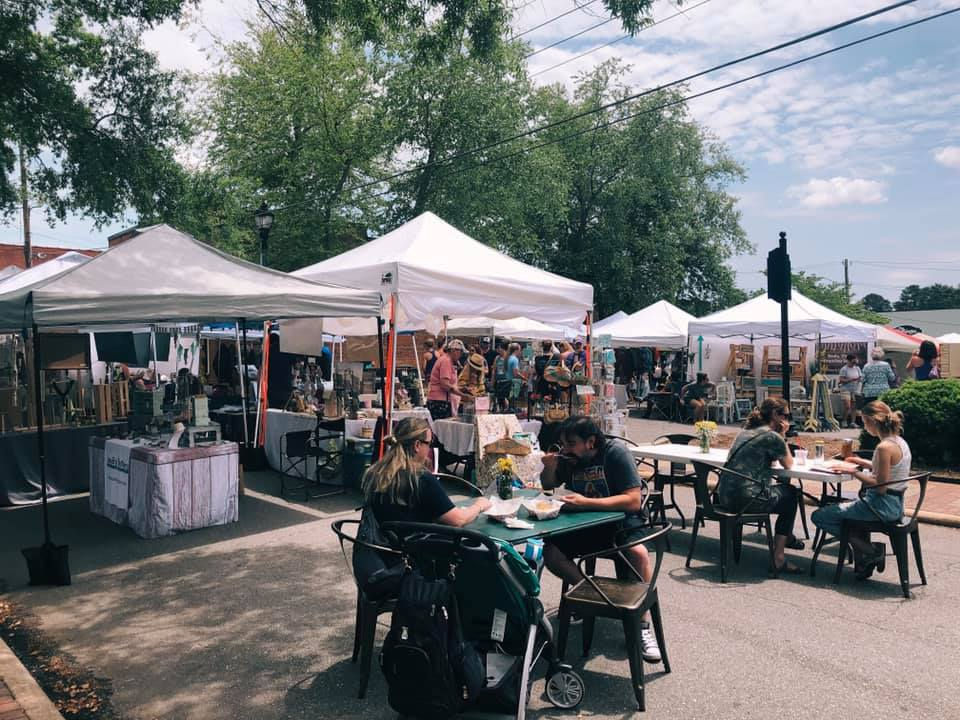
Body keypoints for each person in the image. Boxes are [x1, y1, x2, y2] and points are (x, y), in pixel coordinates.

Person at [540, 416, 662, 663]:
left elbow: (633, 500)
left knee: (638, 554)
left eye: (571, 444)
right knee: (550, 552)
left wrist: (587, 503)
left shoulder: (615, 453)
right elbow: (548, 484)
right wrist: (550, 466)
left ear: (591, 442)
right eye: (563, 444)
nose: (565, 450)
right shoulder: (571, 458)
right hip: (587, 523)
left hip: (623, 522)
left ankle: (643, 625)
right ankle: (590, 598)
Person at [811, 401, 911, 579]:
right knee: (847, 518)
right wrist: (859, 461)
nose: (864, 427)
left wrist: (853, 471)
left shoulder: (883, 447)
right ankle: (864, 554)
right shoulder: (899, 442)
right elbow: (887, 469)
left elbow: (879, 486)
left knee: (819, 515)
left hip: (879, 506)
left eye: (864, 422)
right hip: (895, 505)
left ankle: (871, 551)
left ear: (873, 422)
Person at [716, 397, 803, 574]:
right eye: (785, 415)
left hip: (723, 496)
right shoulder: (772, 436)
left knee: (784, 493)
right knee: (791, 495)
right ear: (775, 415)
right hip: (747, 499)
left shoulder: (745, 431)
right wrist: (783, 435)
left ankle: (788, 537)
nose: (787, 419)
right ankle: (779, 556)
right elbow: (789, 464)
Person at [364, 417, 490, 527]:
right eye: (429, 443)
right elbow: (458, 520)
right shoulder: (421, 479)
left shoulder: (375, 472)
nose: (429, 448)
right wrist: (479, 505)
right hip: (413, 548)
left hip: (381, 546)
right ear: (417, 445)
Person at [427, 338, 468, 419]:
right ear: (454, 350)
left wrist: (461, 389)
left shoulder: (445, 359)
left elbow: (448, 384)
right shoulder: (446, 361)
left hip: (440, 400)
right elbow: (445, 385)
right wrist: (463, 395)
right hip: (440, 402)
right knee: (442, 429)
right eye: (461, 352)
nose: (461, 355)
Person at [837, 353, 863, 428]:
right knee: (847, 406)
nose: (853, 364)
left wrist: (859, 380)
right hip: (846, 389)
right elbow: (841, 380)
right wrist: (851, 379)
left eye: (854, 362)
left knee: (854, 406)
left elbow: (860, 377)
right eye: (852, 362)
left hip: (855, 389)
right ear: (848, 361)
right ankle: (844, 420)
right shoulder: (844, 369)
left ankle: (853, 422)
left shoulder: (857, 368)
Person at [506, 342, 526, 410]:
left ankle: (510, 408)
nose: (520, 352)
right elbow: (516, 373)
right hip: (513, 382)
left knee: (510, 398)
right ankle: (512, 409)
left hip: (507, 381)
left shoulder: (508, 358)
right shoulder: (515, 359)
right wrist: (524, 378)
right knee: (513, 398)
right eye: (520, 350)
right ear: (516, 350)